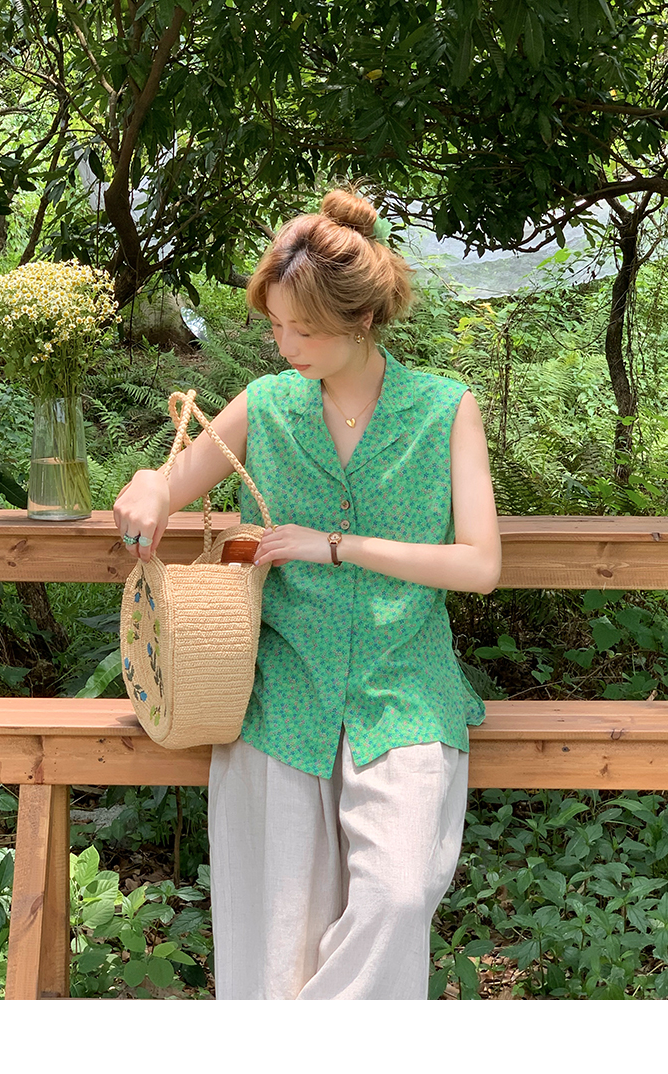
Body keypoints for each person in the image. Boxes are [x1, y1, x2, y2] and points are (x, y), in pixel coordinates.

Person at [113, 189, 501, 1000]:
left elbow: (479, 564)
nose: (287, 345)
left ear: (363, 319)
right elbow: (173, 481)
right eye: (278, 326)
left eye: (307, 330)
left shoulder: (445, 409)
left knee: (399, 895)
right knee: (276, 936)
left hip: (404, 690)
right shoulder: (265, 406)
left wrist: (335, 546)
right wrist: (149, 485)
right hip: (282, 691)